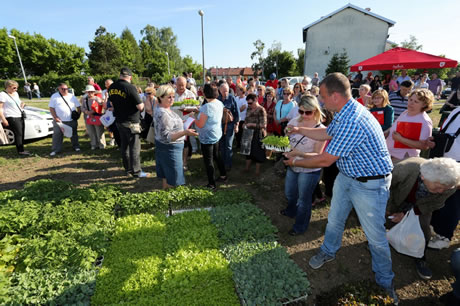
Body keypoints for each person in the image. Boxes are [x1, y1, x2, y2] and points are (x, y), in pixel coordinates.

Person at [284, 73, 397, 302]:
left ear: (335, 96)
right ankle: (328, 250)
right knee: (335, 219)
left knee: (375, 237)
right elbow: (327, 132)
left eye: (324, 97)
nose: (322, 102)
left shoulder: (352, 120)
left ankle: (385, 282)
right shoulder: (344, 111)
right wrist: (299, 130)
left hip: (370, 183)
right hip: (348, 176)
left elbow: (325, 160)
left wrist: (295, 161)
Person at [386, 157, 460, 280]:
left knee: (423, 229)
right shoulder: (404, 169)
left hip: (421, 206)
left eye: (444, 188)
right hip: (395, 198)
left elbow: (435, 203)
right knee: (385, 220)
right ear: (424, 176)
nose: (441, 191)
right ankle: (378, 242)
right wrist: (388, 207)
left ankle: (420, 256)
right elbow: (384, 187)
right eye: (438, 186)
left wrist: (407, 214)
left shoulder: (449, 185)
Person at [281, 95, 326, 236]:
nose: (304, 115)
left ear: (316, 111)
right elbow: (287, 136)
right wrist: (286, 134)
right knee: (289, 192)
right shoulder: (295, 121)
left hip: (309, 169)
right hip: (292, 165)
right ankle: (291, 210)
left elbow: (318, 155)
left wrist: (298, 153)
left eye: (308, 112)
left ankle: (300, 226)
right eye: (301, 111)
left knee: (303, 199)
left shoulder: (321, 129)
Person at [154, 85, 198, 189]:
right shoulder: (162, 112)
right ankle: (172, 202)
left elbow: (171, 125)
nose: (172, 99)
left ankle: (167, 199)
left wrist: (184, 122)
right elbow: (168, 137)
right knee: (173, 180)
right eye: (169, 97)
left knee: (167, 176)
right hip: (170, 149)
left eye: (173, 96)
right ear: (160, 97)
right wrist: (185, 132)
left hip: (168, 148)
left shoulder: (164, 109)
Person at [108, 68, 149, 178]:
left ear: (120, 75)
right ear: (130, 77)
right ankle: (136, 171)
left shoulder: (112, 87)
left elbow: (111, 103)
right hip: (131, 122)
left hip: (119, 120)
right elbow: (140, 107)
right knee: (134, 147)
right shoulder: (130, 87)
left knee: (124, 146)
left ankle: (128, 169)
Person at [429, 107, 460, 250]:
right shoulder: (457, 110)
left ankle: (444, 235)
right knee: (439, 195)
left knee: (453, 200)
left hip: (457, 165)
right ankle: (433, 226)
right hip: (445, 160)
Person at [386, 89, 433, 163]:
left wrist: (400, 139)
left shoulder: (425, 121)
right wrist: (386, 132)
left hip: (404, 159)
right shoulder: (405, 113)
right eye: (410, 99)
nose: (411, 103)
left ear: (424, 104)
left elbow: (424, 145)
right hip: (390, 155)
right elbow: (395, 128)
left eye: (416, 102)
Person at [194, 83, 227, 190]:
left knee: (209, 161)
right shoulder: (219, 103)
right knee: (217, 156)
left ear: (205, 93)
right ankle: (223, 175)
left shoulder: (206, 107)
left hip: (207, 137)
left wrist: (193, 117)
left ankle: (211, 184)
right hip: (216, 134)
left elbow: (200, 124)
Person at [48, 83, 81, 156]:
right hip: (59, 121)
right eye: (62, 89)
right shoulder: (54, 96)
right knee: (57, 135)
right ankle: (56, 150)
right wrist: (55, 117)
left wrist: (78, 115)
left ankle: (76, 146)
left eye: (66, 89)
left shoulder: (72, 96)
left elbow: (79, 107)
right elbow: (51, 108)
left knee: (74, 134)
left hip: (71, 120)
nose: (64, 90)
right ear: (59, 89)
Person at [0, 80, 30, 156]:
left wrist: (22, 103)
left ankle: (21, 148)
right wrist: (3, 119)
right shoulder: (2, 94)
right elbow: (0, 108)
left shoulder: (15, 93)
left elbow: (19, 102)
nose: (16, 89)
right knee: (18, 133)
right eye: (14, 88)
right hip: (11, 116)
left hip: (19, 115)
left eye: (16, 88)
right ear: (8, 87)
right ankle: (20, 151)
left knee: (21, 133)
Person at [243, 93, 267, 176]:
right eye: (248, 103)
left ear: (256, 100)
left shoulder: (261, 110)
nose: (249, 105)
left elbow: (263, 125)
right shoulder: (249, 108)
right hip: (248, 133)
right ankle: (246, 168)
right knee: (247, 152)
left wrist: (252, 125)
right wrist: (245, 124)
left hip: (258, 133)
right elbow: (246, 119)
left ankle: (257, 171)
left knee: (258, 152)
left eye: (250, 103)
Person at [218, 83, 239, 171]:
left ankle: (228, 164)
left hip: (229, 125)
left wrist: (236, 125)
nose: (225, 93)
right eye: (223, 91)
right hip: (219, 125)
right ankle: (222, 163)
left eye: (227, 91)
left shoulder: (231, 98)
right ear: (220, 91)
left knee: (229, 145)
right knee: (222, 144)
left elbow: (236, 112)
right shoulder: (217, 99)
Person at [81, 85, 105, 150]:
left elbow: (100, 105)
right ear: (86, 92)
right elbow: (82, 107)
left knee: (99, 131)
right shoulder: (84, 99)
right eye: (88, 92)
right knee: (91, 131)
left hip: (96, 116)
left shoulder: (97, 98)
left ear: (94, 92)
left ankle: (101, 144)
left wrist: (92, 112)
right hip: (88, 117)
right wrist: (86, 112)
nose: (90, 93)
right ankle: (94, 144)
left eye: (91, 92)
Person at [234, 85, 247, 150]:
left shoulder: (246, 99)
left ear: (242, 91)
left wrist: (236, 110)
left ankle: (242, 146)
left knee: (242, 133)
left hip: (243, 119)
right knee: (237, 133)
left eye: (238, 90)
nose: (237, 91)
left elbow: (242, 108)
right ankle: (238, 145)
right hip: (237, 119)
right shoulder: (236, 98)